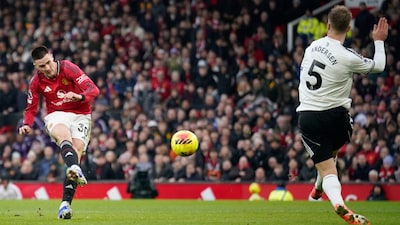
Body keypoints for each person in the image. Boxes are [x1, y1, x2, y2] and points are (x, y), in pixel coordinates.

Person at [297, 5, 388, 225]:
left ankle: (337, 202)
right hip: (337, 118)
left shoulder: (312, 47)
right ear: (349, 28)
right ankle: (317, 191)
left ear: (327, 25)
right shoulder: (349, 57)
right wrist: (379, 41)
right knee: (331, 155)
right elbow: (379, 66)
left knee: (327, 167)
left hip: (309, 116)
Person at [19, 46, 100, 219]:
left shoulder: (68, 68)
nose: (47, 68)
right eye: (41, 66)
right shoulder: (36, 81)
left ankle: (65, 205)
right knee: (64, 136)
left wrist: (79, 97)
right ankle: (75, 167)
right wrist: (27, 124)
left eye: (48, 63)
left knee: (76, 151)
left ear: (52, 57)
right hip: (57, 114)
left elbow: (93, 89)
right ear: (36, 66)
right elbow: (31, 108)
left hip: (81, 115)